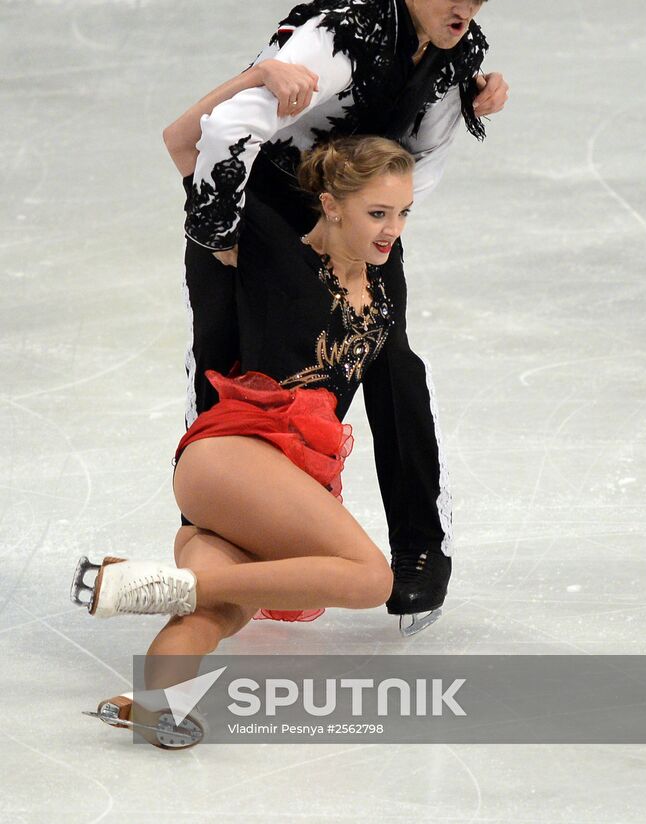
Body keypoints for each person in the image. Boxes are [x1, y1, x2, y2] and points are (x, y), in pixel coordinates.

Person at [162, 0, 508, 635]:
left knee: (386, 358)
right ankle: (211, 525)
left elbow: (428, 156)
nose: (464, 11)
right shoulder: (338, 33)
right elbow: (224, 129)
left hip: (355, 213)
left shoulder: (458, 53)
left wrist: (381, 225)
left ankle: (420, 549)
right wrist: (220, 230)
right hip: (260, 208)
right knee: (228, 352)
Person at [72, 135, 417, 748]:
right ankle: (149, 582)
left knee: (220, 611)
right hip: (235, 453)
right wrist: (261, 79)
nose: (392, 230)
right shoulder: (275, 253)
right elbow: (185, 143)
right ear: (332, 205)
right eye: (378, 213)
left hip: (258, 488)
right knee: (370, 579)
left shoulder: (385, 286)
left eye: (402, 213)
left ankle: (152, 703)